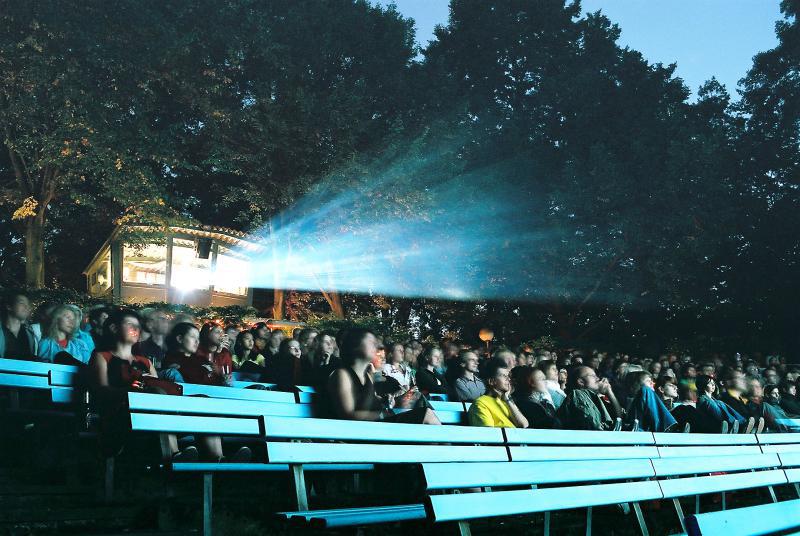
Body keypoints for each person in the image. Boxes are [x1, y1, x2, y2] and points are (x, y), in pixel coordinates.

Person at [87, 309, 201, 461]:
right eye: (130, 324)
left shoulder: (145, 361)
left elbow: (154, 383)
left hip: (152, 414)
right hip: (120, 414)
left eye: (138, 326)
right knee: (156, 394)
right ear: (114, 328)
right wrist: (130, 390)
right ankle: (174, 455)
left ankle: (218, 457)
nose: (136, 329)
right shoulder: (102, 356)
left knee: (201, 399)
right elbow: (101, 390)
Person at [325, 328, 440, 424]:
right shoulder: (341, 375)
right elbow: (348, 415)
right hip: (362, 431)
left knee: (419, 401)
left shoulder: (367, 375)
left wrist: (396, 401)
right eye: (371, 342)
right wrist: (385, 413)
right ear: (355, 345)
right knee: (426, 415)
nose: (377, 347)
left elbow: (369, 404)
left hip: (376, 426)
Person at [557, 365, 622, 431]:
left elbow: (619, 418)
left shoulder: (597, 398)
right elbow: (594, 427)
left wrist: (609, 392)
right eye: (593, 376)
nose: (598, 378)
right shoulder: (578, 395)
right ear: (581, 382)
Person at [468, 359, 528, 428]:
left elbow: (524, 425)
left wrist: (508, 399)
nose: (508, 379)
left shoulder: (505, 401)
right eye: (504, 376)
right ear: (491, 381)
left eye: (508, 376)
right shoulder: (480, 404)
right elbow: (488, 435)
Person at [161, 323, 227, 386]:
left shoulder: (200, 359)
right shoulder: (171, 361)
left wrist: (221, 377)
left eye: (198, 338)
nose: (197, 341)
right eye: (193, 337)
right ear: (180, 339)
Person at [0, 291, 37, 360]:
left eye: (28, 304)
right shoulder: (2, 330)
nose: (27, 307)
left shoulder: (30, 334)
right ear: (9, 306)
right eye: (21, 303)